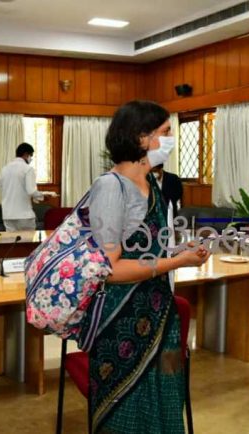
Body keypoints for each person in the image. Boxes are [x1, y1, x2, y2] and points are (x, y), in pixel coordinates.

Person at [84, 100, 209, 433]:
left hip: (160, 315)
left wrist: (183, 251)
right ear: (141, 138)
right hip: (122, 322)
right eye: (165, 132)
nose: (170, 140)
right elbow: (108, 269)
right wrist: (174, 261)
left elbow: (148, 247)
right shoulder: (111, 188)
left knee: (165, 396)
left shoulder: (152, 184)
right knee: (128, 410)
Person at [0, 142, 45, 231]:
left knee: (12, 243)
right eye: (30, 156)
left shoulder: (4, 169)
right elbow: (31, 191)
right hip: (24, 215)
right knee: (27, 243)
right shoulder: (28, 169)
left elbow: (2, 187)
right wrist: (42, 196)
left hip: (8, 215)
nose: (30, 158)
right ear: (26, 154)